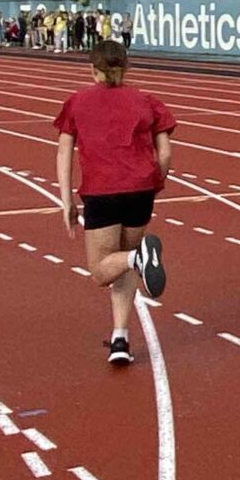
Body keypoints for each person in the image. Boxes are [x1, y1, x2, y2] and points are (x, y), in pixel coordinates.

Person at [54, 40, 172, 367]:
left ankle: (139, 256)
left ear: (93, 71)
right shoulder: (147, 101)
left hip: (102, 190)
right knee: (126, 265)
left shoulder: (77, 102)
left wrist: (66, 201)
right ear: (127, 67)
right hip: (141, 189)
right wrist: (154, 183)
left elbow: (64, 152)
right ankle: (120, 337)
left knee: (100, 270)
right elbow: (165, 154)